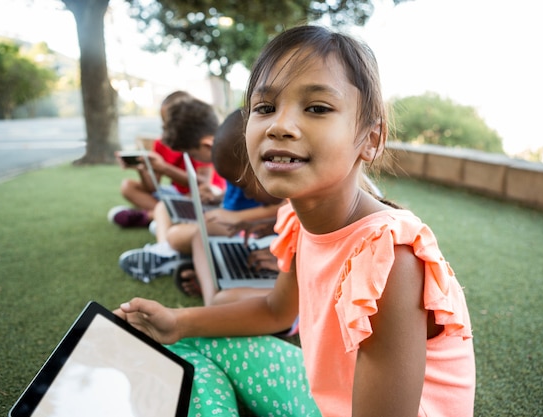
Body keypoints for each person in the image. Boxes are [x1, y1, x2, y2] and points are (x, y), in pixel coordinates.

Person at [115, 25, 475, 416]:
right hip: (328, 401)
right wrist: (177, 320)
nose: (279, 125)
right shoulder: (298, 219)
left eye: (317, 108)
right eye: (265, 107)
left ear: (371, 139)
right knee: (178, 343)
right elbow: (276, 311)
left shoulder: (391, 258)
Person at [118, 109, 284, 284]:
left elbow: (281, 207)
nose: (247, 192)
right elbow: (235, 195)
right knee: (163, 208)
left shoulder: (242, 159)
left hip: (239, 229)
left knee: (177, 234)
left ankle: (168, 250)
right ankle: (166, 251)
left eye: (192, 155)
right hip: (229, 217)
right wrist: (218, 197)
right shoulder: (234, 159)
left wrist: (236, 217)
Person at [108, 92, 225, 228]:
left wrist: (164, 168)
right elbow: (152, 187)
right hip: (177, 193)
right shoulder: (162, 143)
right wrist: (143, 169)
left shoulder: (198, 143)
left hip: (203, 193)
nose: (166, 126)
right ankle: (164, 215)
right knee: (127, 186)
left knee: (202, 193)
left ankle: (151, 216)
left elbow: (204, 183)